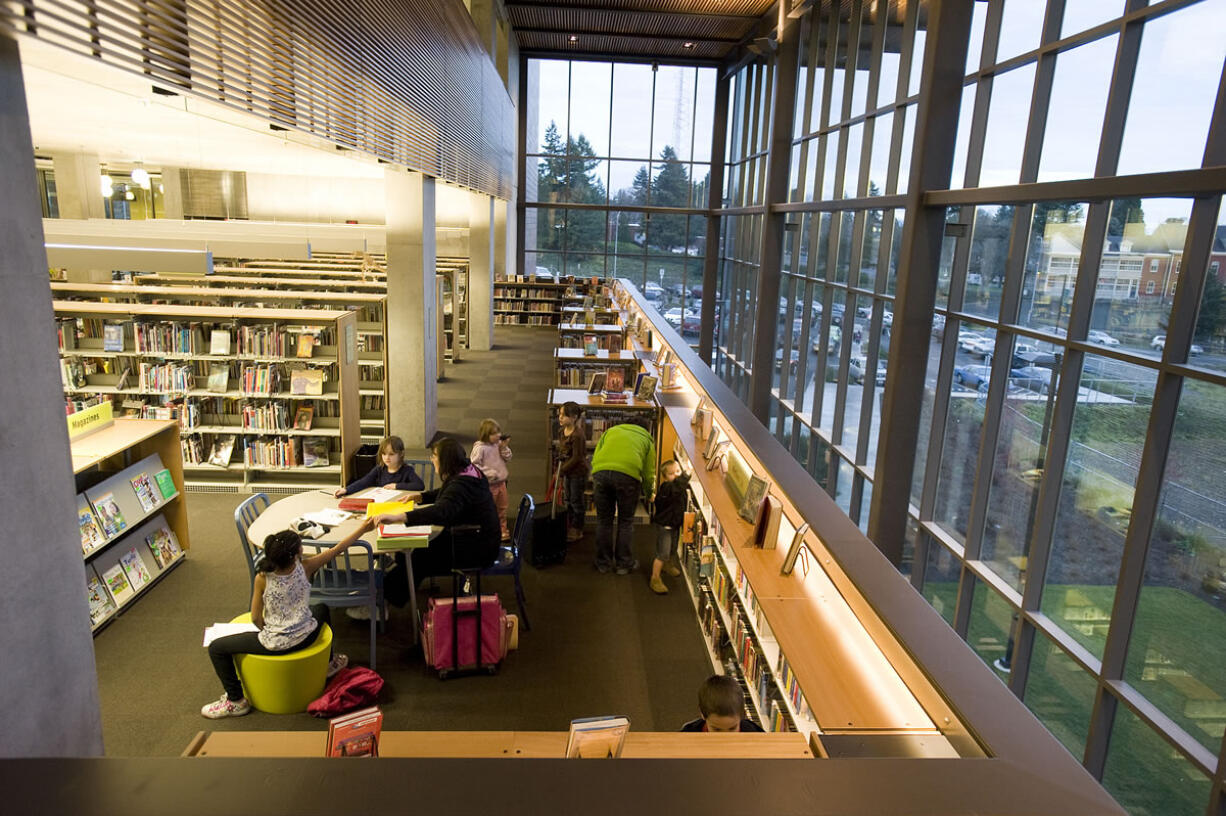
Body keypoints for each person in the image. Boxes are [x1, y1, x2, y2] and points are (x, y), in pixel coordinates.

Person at [201, 516, 376, 719]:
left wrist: (271, 629)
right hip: (307, 634)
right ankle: (329, 664)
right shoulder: (306, 567)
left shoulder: (262, 578)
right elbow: (338, 548)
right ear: (294, 555)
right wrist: (363, 528)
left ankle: (236, 700)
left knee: (217, 648)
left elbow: (256, 618)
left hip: (277, 642)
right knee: (322, 608)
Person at [374, 437, 501, 591]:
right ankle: (404, 584)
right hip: (475, 535)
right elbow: (450, 495)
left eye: (434, 456)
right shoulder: (468, 469)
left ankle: (386, 598)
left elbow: (442, 511)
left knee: (419, 556)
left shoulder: (461, 485)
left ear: (445, 460)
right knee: (412, 550)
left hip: (476, 548)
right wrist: (421, 497)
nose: (431, 459)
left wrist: (401, 516)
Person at [589, 418, 655, 575]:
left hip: (601, 473)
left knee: (604, 521)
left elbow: (596, 455)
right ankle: (623, 564)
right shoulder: (646, 439)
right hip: (628, 477)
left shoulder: (610, 432)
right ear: (645, 429)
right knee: (625, 521)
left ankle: (603, 563)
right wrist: (648, 492)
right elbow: (648, 472)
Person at [333, 435, 425, 498]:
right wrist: (346, 490)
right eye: (384, 454)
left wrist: (396, 486)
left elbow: (419, 485)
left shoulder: (407, 470)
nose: (387, 458)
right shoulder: (379, 469)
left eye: (391, 454)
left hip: (399, 505)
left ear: (401, 454)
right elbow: (364, 481)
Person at [648, 459, 689, 594]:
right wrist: (686, 474)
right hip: (665, 526)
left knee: (672, 549)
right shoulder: (667, 488)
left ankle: (668, 565)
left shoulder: (677, 487)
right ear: (665, 477)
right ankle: (655, 578)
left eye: (677, 471)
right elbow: (677, 487)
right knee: (662, 553)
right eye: (671, 474)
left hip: (675, 524)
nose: (676, 475)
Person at [470, 418, 513, 542]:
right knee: (489, 508)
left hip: (501, 483)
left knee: (502, 507)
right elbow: (475, 466)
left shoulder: (498, 446)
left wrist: (504, 447)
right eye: (494, 434)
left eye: (498, 432)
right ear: (486, 435)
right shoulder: (480, 448)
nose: (498, 435)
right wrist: (490, 474)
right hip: (488, 485)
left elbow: (508, 457)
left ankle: (502, 529)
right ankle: (489, 529)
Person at [679, 674, 765, 733]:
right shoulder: (687, 735)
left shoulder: (755, 735)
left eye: (732, 728)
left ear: (743, 714)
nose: (725, 737)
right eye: (716, 729)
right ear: (702, 714)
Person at [556, 401, 588, 542]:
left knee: (576, 501)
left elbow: (577, 457)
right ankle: (569, 525)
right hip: (567, 471)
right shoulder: (561, 431)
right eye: (560, 415)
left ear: (574, 417)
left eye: (564, 415)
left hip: (577, 472)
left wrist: (561, 470)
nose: (560, 418)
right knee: (568, 499)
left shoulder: (577, 435)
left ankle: (577, 528)